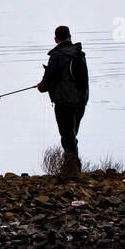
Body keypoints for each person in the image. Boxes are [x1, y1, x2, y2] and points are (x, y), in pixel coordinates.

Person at [37, 25, 90, 174]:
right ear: (70, 37)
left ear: (55, 39)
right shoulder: (79, 54)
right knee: (71, 135)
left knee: (67, 137)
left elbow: (47, 82)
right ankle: (73, 168)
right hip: (80, 102)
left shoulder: (57, 56)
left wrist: (41, 86)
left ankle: (72, 170)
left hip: (64, 103)